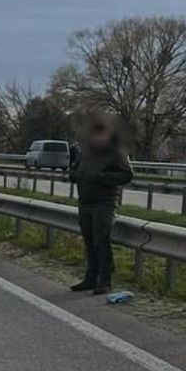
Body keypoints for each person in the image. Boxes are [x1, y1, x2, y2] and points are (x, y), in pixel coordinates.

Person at [70, 116, 135, 294]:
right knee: (89, 241)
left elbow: (127, 175)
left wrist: (103, 177)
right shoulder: (85, 151)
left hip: (104, 202)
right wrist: (74, 174)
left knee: (101, 240)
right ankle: (90, 278)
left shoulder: (115, 151)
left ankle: (105, 280)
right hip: (85, 201)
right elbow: (76, 168)